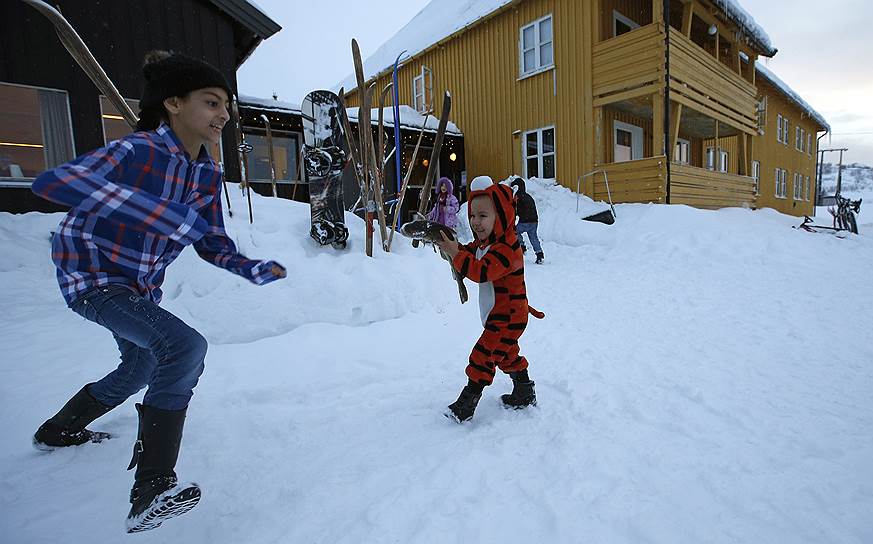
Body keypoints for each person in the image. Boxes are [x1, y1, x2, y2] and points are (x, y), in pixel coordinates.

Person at [29, 51, 286, 533]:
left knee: (143, 363)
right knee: (183, 346)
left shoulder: (207, 172)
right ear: (172, 103)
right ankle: (151, 487)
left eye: (226, 104)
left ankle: (60, 428)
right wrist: (156, 212)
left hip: (141, 286)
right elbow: (55, 182)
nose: (224, 114)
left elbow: (209, 240)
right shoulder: (138, 152)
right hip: (93, 276)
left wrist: (246, 267)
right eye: (211, 102)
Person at [436, 176, 543, 423]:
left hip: (509, 315)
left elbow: (480, 271)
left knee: (483, 354)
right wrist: (453, 248)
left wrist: (457, 255)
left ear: (502, 215)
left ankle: (466, 404)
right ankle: (525, 391)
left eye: (483, 216)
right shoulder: (486, 243)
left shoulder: (508, 249)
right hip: (499, 313)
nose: (475, 222)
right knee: (506, 354)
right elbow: (468, 254)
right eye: (473, 216)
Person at [509, 176, 544, 264]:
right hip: (534, 221)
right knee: (533, 238)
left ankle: (522, 246)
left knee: (514, 231)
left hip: (525, 221)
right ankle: (540, 254)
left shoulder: (518, 197)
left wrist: (515, 214)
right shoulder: (528, 196)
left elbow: (517, 210)